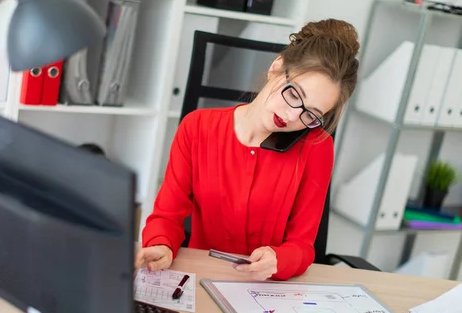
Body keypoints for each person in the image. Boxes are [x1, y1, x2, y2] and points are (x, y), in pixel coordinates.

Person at [135, 18, 360, 281]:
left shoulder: (316, 147)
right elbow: (167, 216)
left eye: (311, 114)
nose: (291, 115)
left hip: (266, 290)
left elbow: (302, 245)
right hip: (200, 279)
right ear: (277, 66)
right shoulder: (197, 127)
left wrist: (279, 260)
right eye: (293, 94)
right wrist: (161, 244)